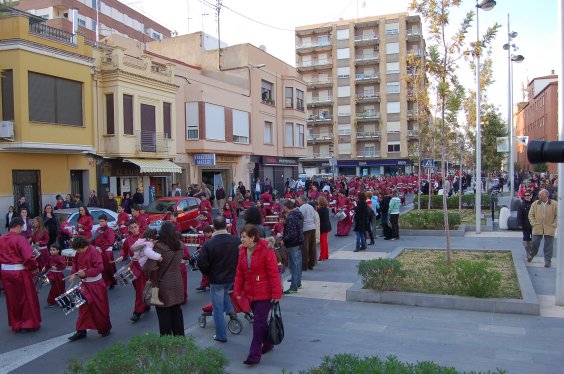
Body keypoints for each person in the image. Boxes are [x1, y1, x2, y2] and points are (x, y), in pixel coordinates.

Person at [234, 225, 282, 365]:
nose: (241, 239)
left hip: (265, 293)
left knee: (258, 323)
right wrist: (237, 291)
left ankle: (254, 355)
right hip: (251, 293)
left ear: (252, 237)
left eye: (244, 237)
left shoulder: (266, 251)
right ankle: (268, 344)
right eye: (241, 237)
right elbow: (239, 273)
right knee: (260, 322)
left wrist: (276, 293)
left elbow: (274, 274)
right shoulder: (242, 251)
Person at [197, 216, 241, 343]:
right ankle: (231, 312)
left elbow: (201, 262)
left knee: (217, 308)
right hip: (231, 277)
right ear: (226, 226)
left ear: (213, 227)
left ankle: (221, 335)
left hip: (216, 279)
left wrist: (208, 273)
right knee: (225, 294)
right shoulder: (235, 240)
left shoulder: (209, 243)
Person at [0, 217, 41, 333]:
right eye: (22, 228)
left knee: (12, 299)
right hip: (19, 272)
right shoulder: (21, 239)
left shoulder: (1, 239)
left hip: (5, 273)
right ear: (18, 227)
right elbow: (29, 257)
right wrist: (34, 268)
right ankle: (28, 323)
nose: (23, 230)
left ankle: (15, 323)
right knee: (26, 297)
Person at [143, 222, 184, 336]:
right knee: (177, 312)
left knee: (164, 316)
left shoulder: (159, 247)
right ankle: (180, 342)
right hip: (178, 282)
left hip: (163, 284)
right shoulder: (180, 245)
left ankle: (167, 345)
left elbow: (149, 267)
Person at [67, 236, 112, 341]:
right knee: (83, 308)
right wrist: (73, 274)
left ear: (84, 245)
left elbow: (100, 268)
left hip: (96, 284)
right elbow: (75, 262)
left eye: (79, 249)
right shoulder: (79, 252)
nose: (78, 251)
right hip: (84, 284)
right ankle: (81, 330)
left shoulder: (94, 252)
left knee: (100, 307)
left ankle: (105, 328)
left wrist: (86, 273)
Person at [116, 219, 150, 322]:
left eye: (135, 227)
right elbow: (124, 249)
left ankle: (138, 311)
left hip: (145, 265)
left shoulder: (145, 238)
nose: (134, 229)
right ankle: (145, 304)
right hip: (134, 266)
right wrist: (122, 256)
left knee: (143, 288)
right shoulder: (128, 239)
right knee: (138, 288)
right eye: (132, 228)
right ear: (129, 229)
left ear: (138, 226)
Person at [131, 229, 163, 305]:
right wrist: (159, 257)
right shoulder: (147, 244)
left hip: (140, 262)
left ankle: (153, 296)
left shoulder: (140, 241)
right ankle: (154, 298)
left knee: (150, 281)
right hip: (145, 263)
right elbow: (149, 253)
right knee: (155, 281)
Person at [528, 189, 558, 267]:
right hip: (537, 227)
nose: (539, 196)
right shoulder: (535, 204)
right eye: (539, 194)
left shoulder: (554, 204)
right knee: (534, 243)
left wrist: (554, 224)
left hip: (549, 227)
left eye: (540, 195)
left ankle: (547, 260)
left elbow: (558, 215)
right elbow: (530, 215)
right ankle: (531, 254)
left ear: (546, 195)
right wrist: (534, 223)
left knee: (548, 245)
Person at [282, 200, 304, 294]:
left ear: (287, 207)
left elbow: (291, 233)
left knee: (293, 265)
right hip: (298, 241)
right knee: (298, 263)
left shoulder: (291, 217)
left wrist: (283, 240)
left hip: (292, 243)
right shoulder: (298, 214)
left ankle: (293, 287)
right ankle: (298, 282)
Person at [92, 214, 117, 289]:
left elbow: (110, 241)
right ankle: (104, 282)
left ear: (106, 221)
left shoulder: (110, 230)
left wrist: (102, 248)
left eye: (102, 221)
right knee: (100, 268)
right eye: (100, 221)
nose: (101, 223)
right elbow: (94, 240)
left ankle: (111, 282)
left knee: (109, 268)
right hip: (98, 251)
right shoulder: (98, 230)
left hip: (106, 252)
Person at [298, 195, 317, 271]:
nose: (298, 202)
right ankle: (311, 264)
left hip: (305, 228)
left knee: (305, 248)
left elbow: (300, 218)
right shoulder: (311, 207)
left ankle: (304, 265)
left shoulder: (302, 208)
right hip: (312, 227)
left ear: (302, 200)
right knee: (312, 246)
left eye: (299, 200)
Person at [45, 243, 66, 308]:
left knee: (60, 287)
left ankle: (61, 300)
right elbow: (48, 264)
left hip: (58, 274)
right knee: (54, 287)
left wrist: (57, 268)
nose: (51, 251)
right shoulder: (50, 257)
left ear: (58, 251)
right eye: (50, 250)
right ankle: (52, 301)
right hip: (52, 274)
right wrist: (45, 267)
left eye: (53, 250)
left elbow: (64, 265)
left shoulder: (59, 258)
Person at [518, 191, 534, 259]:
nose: (527, 197)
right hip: (525, 225)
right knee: (526, 239)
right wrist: (520, 224)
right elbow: (519, 215)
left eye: (528, 195)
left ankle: (532, 251)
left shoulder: (534, 204)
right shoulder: (522, 204)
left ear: (531, 196)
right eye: (525, 195)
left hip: (534, 225)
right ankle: (528, 253)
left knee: (535, 240)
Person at [317, 196, 331, 261]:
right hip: (327, 226)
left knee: (322, 242)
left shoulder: (320, 210)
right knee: (325, 241)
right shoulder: (326, 209)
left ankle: (322, 256)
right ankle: (326, 255)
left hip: (322, 227)